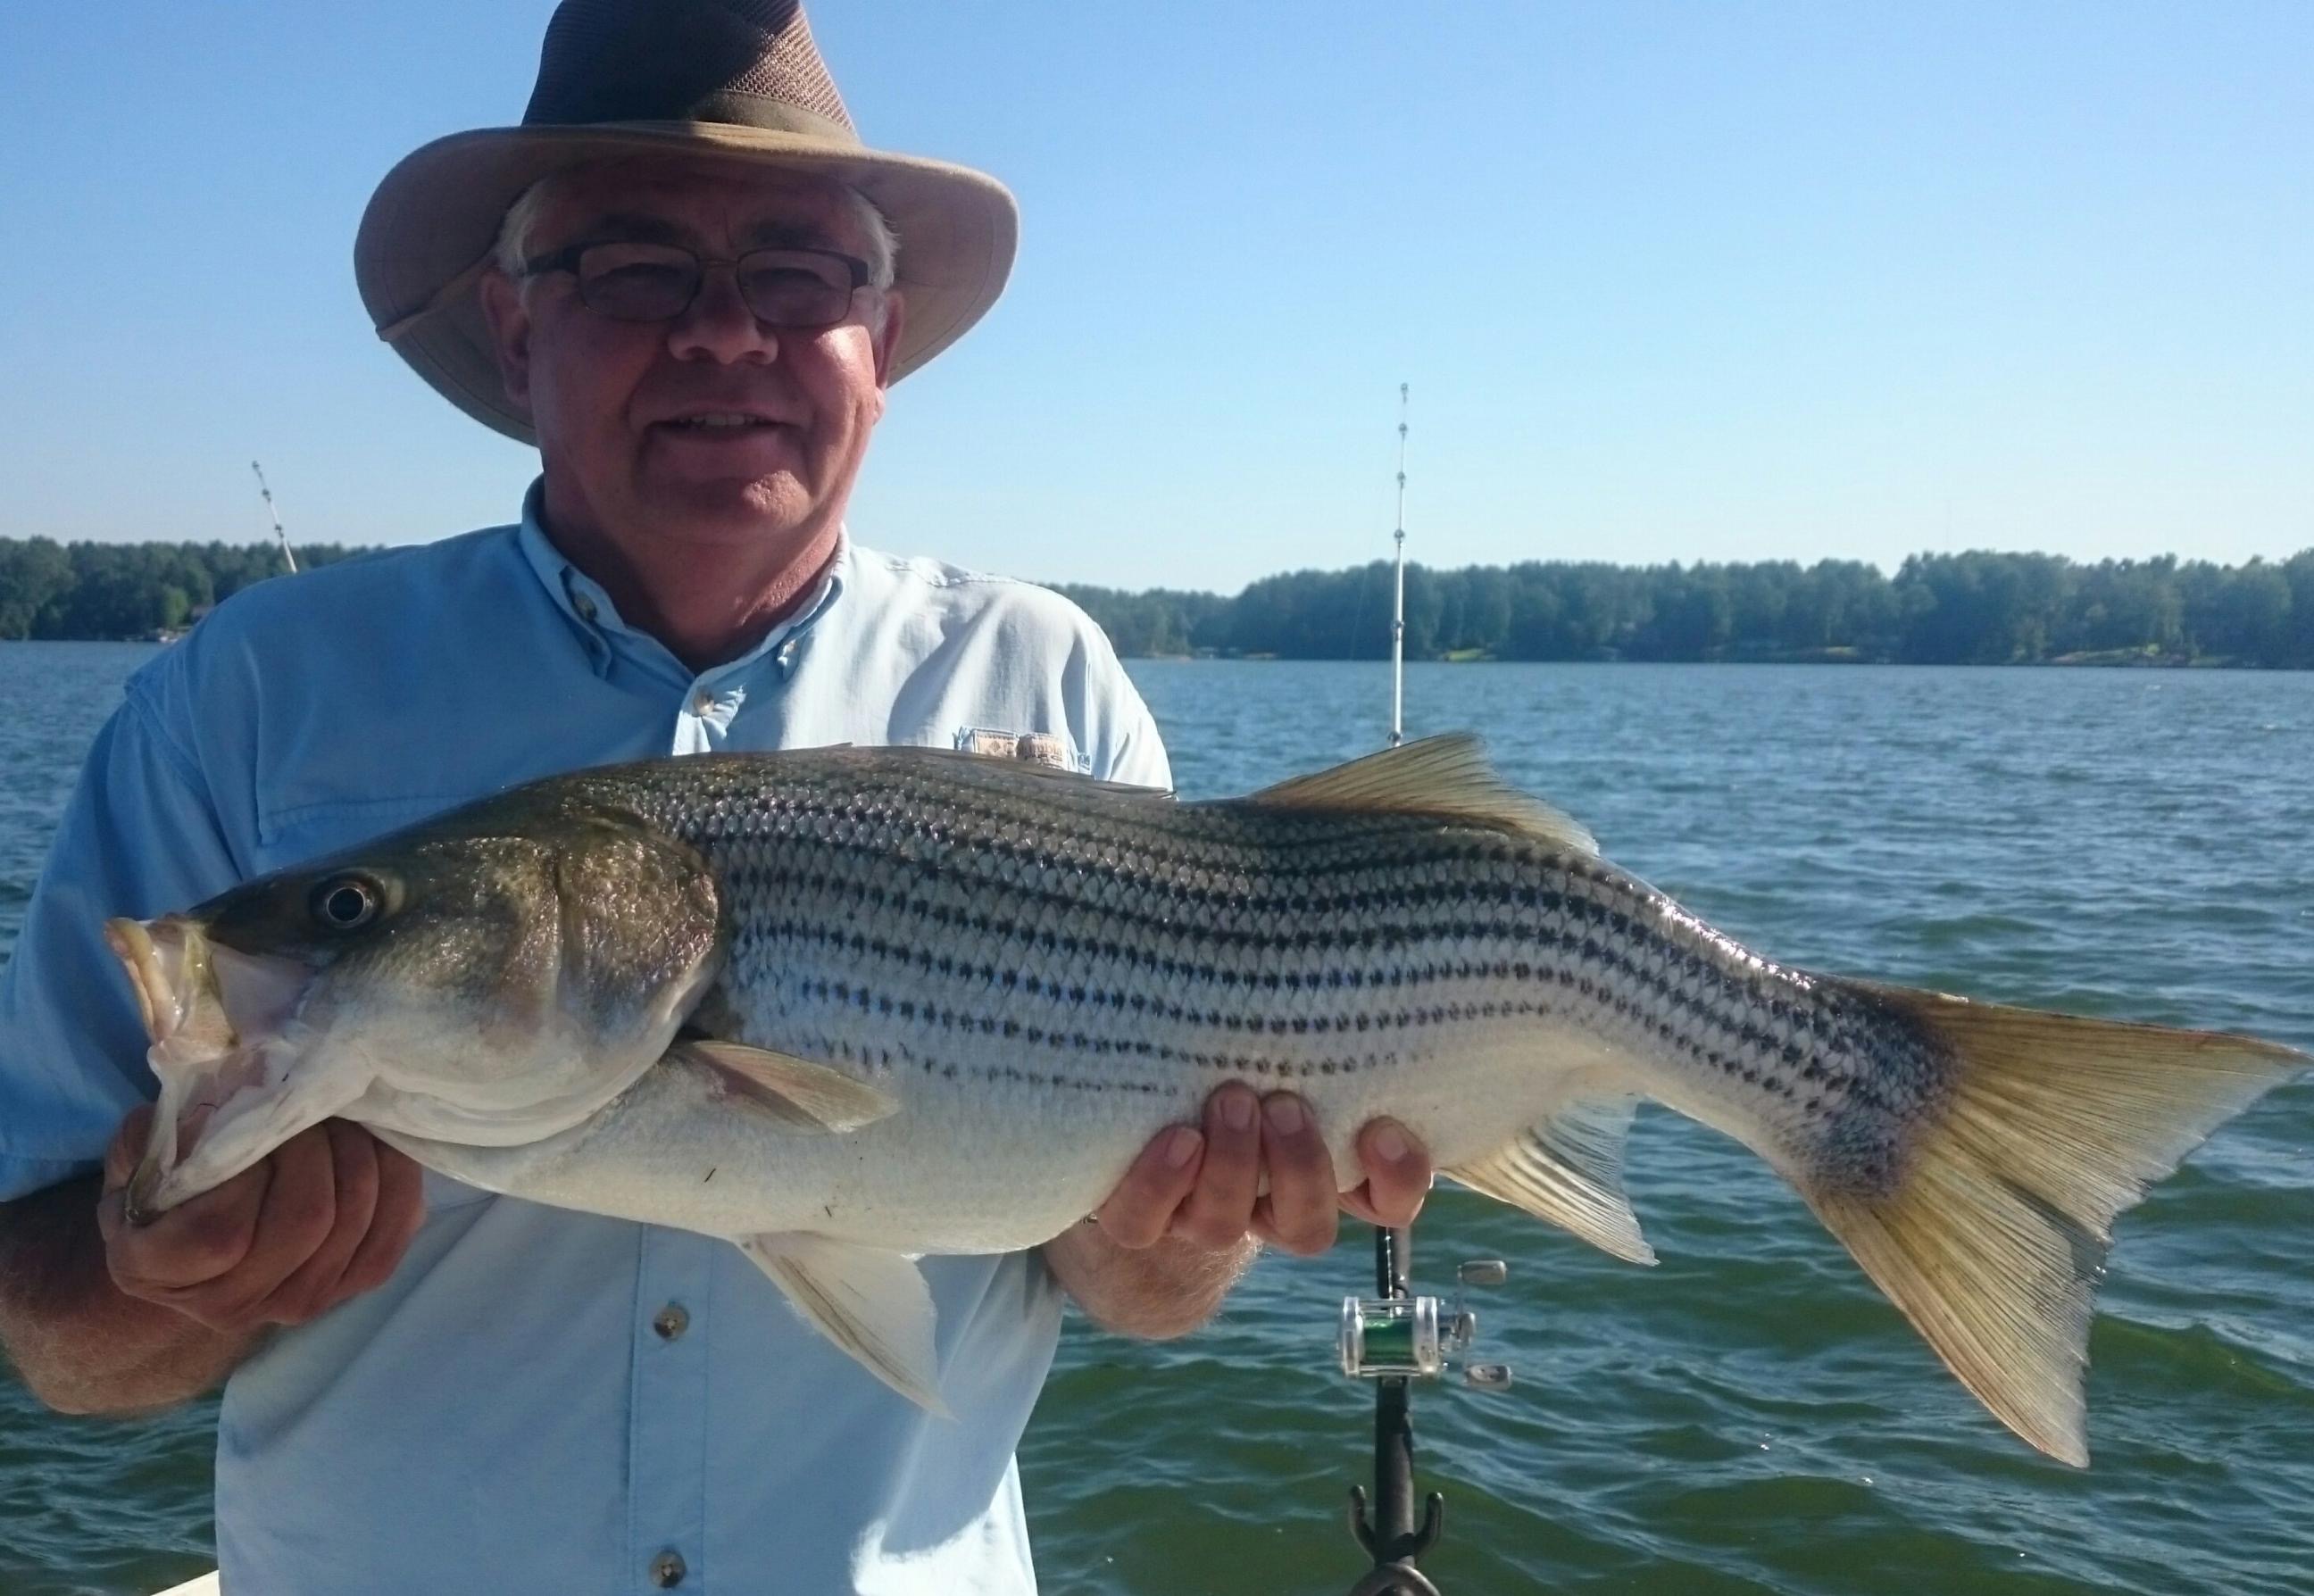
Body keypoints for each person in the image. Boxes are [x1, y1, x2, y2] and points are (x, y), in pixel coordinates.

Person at [0, 3, 1432, 1591]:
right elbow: (57, 1337)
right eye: (635, 266)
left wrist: (1184, 1231)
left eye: (801, 273)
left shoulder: (1045, 677)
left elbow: (1141, 1294)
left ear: (878, 342)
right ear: (516, 323)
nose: (727, 333)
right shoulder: (251, 692)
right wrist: (165, 1282)